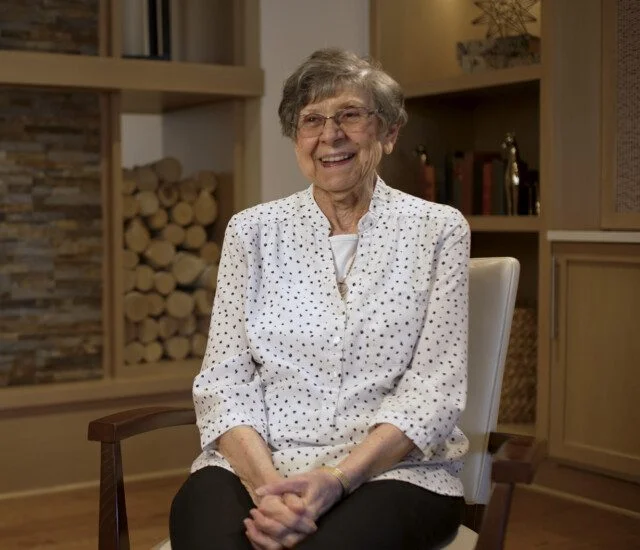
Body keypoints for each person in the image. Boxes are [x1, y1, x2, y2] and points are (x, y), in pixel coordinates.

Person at [170, 48, 470, 550]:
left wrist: (335, 479)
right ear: (296, 139)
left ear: (389, 132)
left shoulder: (438, 230)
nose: (330, 135)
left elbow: (433, 393)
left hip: (390, 475)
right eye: (312, 121)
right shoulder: (252, 231)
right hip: (254, 465)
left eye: (350, 115)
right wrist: (269, 489)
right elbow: (224, 381)